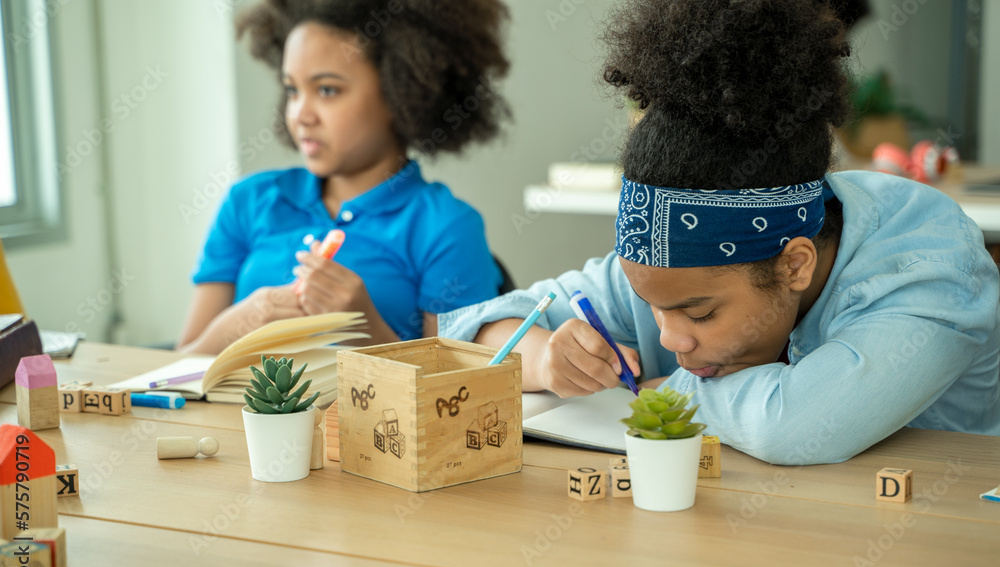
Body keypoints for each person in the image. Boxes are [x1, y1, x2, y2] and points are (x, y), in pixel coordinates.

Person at [440, 0, 1000, 465]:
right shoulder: (674, 270)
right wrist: (543, 360)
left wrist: (666, 394)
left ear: (795, 264)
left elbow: (798, 425)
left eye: (700, 315)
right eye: (649, 305)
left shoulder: (931, 269)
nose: (668, 339)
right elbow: (473, 329)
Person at [178, 0, 511, 354]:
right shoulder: (247, 201)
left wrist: (366, 329)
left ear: (401, 93)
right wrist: (241, 323)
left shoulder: (446, 226)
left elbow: (454, 388)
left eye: (326, 90)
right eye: (292, 90)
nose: (300, 114)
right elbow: (172, 369)